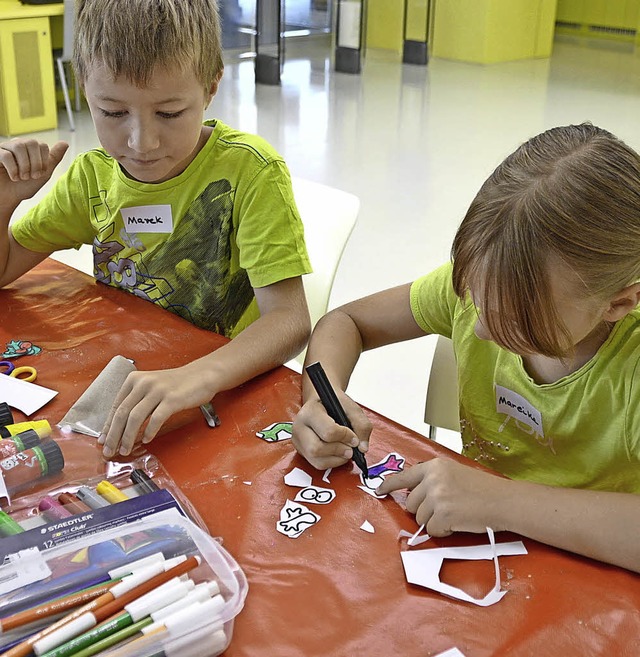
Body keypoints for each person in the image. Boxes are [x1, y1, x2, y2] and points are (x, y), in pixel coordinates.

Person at [292, 123, 640, 573]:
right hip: (480, 550)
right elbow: (346, 321)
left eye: (519, 320)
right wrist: (322, 397)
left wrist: (501, 501)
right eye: (475, 297)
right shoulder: (487, 286)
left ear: (619, 303)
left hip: (590, 576)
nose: (480, 331)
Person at [0, 0, 311, 459]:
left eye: (168, 114)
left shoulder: (251, 172)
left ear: (210, 88)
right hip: (127, 383)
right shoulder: (94, 177)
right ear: (83, 87)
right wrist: (5, 198)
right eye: (111, 112)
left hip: (221, 394)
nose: (141, 142)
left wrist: (197, 376)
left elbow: (289, 319)